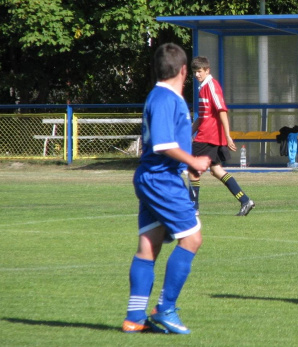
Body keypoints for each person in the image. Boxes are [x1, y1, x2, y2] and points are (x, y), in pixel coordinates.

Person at [123, 43, 211, 334]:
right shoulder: (165, 98)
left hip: (153, 177)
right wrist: (194, 161)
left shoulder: (163, 96)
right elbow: (163, 144)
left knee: (149, 245)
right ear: (184, 70)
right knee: (192, 239)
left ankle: (134, 318)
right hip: (162, 180)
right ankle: (165, 308)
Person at [188, 56, 255, 216]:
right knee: (217, 170)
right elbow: (203, 116)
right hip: (209, 135)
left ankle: (193, 209)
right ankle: (245, 201)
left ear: (207, 70)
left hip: (208, 136)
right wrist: (189, 132)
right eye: (195, 72)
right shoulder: (203, 87)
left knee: (192, 170)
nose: (197, 75)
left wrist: (228, 136)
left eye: (199, 71)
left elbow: (222, 110)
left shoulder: (211, 86)